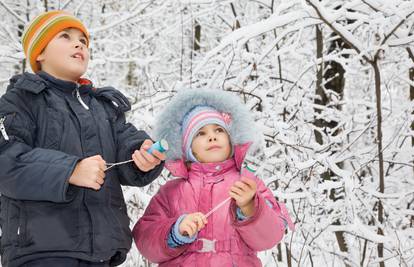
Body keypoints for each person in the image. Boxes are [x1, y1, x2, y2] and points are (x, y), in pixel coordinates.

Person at [0, 10, 165, 267]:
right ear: (39, 53)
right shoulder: (21, 100)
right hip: (42, 252)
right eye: (65, 36)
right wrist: (70, 171)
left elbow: (126, 144)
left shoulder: (103, 107)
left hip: (103, 253)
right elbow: (6, 160)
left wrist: (142, 155)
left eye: (84, 41)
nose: (79, 44)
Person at [133, 89, 294, 266]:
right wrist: (175, 232)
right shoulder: (171, 192)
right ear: (188, 148)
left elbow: (270, 237)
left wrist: (250, 207)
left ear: (231, 139)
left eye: (219, 130)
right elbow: (145, 240)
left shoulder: (248, 184)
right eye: (200, 133)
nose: (212, 136)